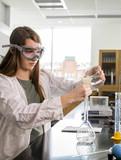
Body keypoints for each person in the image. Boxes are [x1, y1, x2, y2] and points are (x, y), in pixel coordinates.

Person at [0, 26, 105, 160]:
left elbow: (70, 86)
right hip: (15, 155)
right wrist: (69, 98)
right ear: (14, 50)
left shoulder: (43, 77)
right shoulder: (3, 83)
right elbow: (21, 116)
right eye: (29, 51)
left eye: (38, 51)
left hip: (41, 148)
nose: (35, 57)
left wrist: (90, 77)